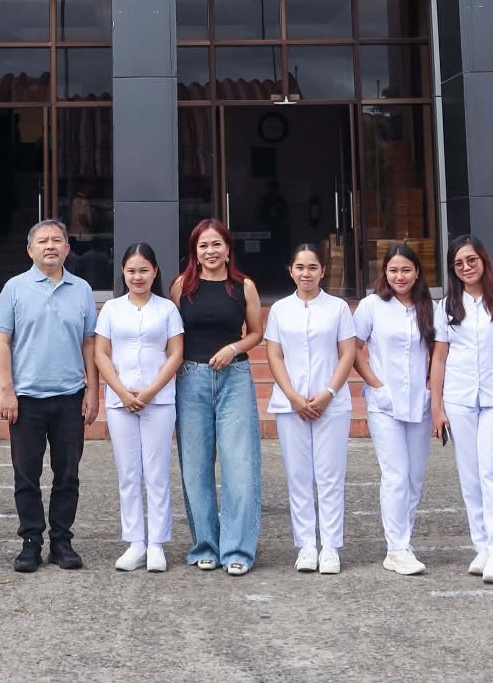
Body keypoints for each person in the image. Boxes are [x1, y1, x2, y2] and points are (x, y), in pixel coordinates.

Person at [0, 218, 100, 574]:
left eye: (57, 240)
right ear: (30, 250)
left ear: (68, 248)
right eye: (43, 241)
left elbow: (89, 342)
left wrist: (92, 390)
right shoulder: (14, 288)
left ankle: (61, 542)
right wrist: (6, 391)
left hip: (70, 396)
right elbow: (1, 341)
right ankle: (30, 542)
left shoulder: (82, 289)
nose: (50, 246)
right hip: (26, 399)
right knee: (26, 476)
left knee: (67, 474)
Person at [429, 234, 493, 586]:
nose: (466, 267)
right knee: (470, 475)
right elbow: (439, 358)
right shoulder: (446, 307)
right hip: (458, 399)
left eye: (471, 260)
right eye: (459, 263)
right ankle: (483, 547)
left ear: (483, 261)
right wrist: (437, 407)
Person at [170, 217, 265, 576]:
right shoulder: (182, 286)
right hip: (190, 380)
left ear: (228, 249)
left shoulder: (244, 287)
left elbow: (257, 332)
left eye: (216, 245)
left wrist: (233, 348)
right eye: (203, 246)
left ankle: (238, 549)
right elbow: (172, 333)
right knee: (196, 467)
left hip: (234, 378)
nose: (210, 252)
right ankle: (205, 546)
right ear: (194, 252)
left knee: (240, 466)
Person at [263, 242, 357, 575]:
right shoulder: (280, 310)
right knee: (298, 476)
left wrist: (329, 392)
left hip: (331, 403)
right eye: (300, 267)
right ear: (290, 270)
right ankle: (306, 545)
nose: (306, 274)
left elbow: (347, 353)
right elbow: (274, 355)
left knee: (330, 476)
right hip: (291, 405)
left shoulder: (338, 308)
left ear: (322, 270)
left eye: (313, 267)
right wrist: (293, 396)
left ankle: (330, 545)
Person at [93, 242, 184, 573]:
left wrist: (148, 391)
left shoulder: (167, 309)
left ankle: (157, 542)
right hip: (120, 403)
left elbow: (175, 353)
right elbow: (102, 354)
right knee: (128, 474)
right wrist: (123, 392)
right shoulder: (112, 309)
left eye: (144, 270)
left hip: (158, 401)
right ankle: (135, 542)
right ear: (123, 272)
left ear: (155, 272)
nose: (137, 276)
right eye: (131, 270)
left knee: (157, 471)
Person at [354, 243, 435, 576]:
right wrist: (377, 386)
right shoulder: (372, 306)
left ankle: (405, 541)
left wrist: (432, 389)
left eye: (406, 270)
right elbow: (353, 350)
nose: (400, 276)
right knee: (396, 476)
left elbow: (439, 353)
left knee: (414, 478)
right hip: (384, 404)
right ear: (384, 272)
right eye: (393, 270)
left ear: (417, 272)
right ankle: (396, 548)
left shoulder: (429, 307)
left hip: (420, 403)